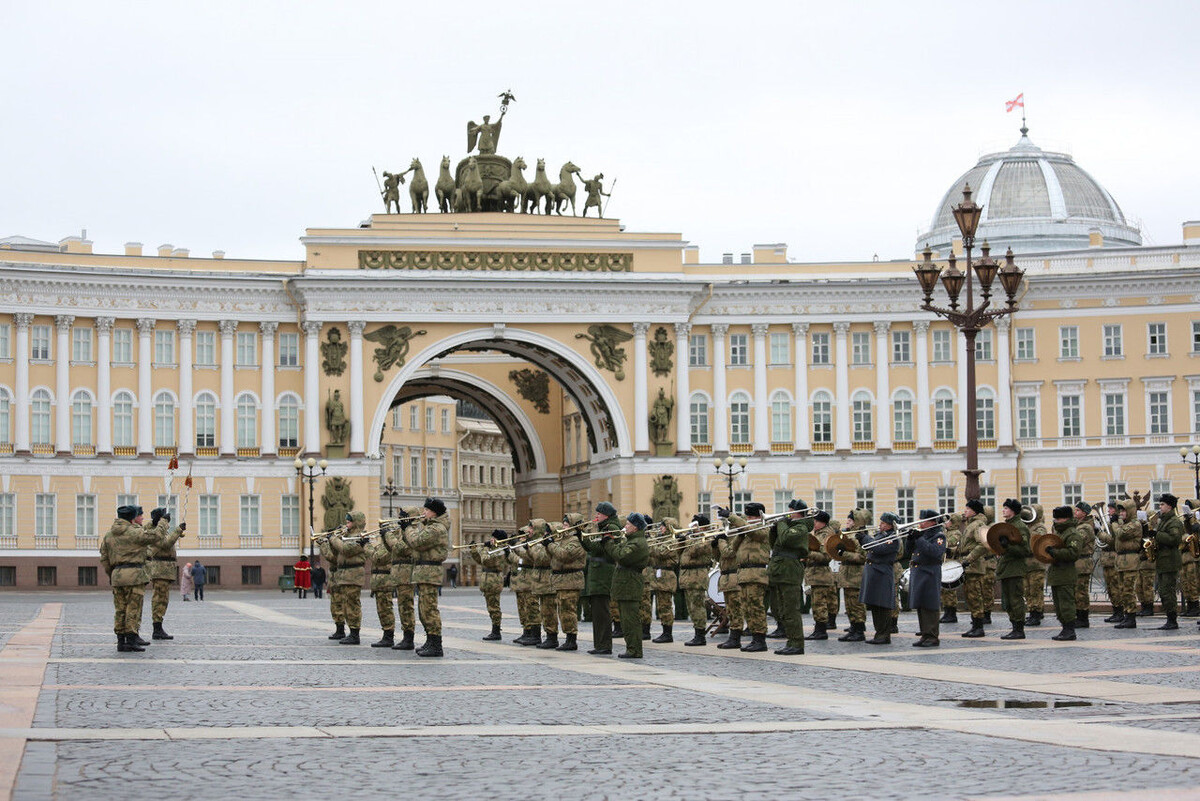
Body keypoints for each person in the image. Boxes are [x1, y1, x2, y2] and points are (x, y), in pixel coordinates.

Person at [99, 505, 161, 652]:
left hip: (117, 575)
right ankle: (132, 639)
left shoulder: (109, 535)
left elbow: (104, 559)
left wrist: (112, 575)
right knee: (133, 608)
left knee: (120, 609)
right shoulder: (134, 532)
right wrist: (163, 522)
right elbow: (156, 537)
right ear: (133, 518)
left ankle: (121, 641)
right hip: (134, 575)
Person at [403, 497, 450, 657]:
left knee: (429, 609)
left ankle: (436, 644)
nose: (423, 513)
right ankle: (430, 640)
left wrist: (408, 528)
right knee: (424, 609)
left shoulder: (436, 529)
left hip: (430, 571)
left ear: (434, 512)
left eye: (426, 510)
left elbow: (417, 541)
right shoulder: (430, 526)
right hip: (424, 571)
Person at [769, 499, 811, 655]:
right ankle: (790, 641)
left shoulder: (801, 527)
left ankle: (797, 643)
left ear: (797, 512)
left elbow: (786, 537)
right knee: (783, 610)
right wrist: (774, 529)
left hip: (790, 571)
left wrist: (781, 524)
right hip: (781, 570)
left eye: (791, 510)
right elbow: (775, 545)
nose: (787, 513)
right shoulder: (789, 526)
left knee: (791, 610)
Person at [605, 512, 650, 658]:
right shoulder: (631, 540)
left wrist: (609, 542)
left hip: (630, 584)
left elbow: (621, 556)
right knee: (625, 620)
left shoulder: (637, 543)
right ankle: (631, 648)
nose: (625, 526)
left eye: (628, 524)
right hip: (625, 583)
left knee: (630, 620)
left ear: (636, 527)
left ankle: (634, 650)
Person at [583, 502, 621, 655]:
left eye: (599, 513)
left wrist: (585, 535)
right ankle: (599, 644)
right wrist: (582, 537)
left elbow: (598, 548)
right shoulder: (603, 528)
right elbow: (590, 547)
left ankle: (604, 645)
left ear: (606, 515)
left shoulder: (611, 528)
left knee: (602, 613)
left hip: (603, 575)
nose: (596, 516)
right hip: (597, 575)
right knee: (597, 613)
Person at [733, 502, 771, 652]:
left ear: (759, 516)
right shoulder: (746, 532)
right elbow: (732, 550)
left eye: (751, 516)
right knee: (747, 608)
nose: (748, 519)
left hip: (756, 573)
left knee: (756, 607)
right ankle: (754, 637)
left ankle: (760, 639)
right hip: (744, 574)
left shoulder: (763, 528)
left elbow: (756, 532)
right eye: (747, 516)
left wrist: (733, 518)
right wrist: (739, 534)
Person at [547, 514, 587, 651]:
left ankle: (572, 639)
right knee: (562, 611)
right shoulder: (563, 539)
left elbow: (564, 555)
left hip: (571, 580)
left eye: (566, 524)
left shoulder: (576, 540)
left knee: (568, 610)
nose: (563, 527)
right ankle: (568, 637)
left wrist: (550, 545)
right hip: (561, 580)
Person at [908, 510, 948, 647]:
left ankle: (932, 636)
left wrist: (919, 539)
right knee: (920, 604)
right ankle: (925, 634)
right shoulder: (923, 535)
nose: (920, 523)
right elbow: (909, 552)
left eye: (923, 520)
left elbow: (934, 552)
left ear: (932, 522)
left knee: (929, 604)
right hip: (919, 571)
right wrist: (910, 539)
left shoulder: (939, 536)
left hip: (930, 572)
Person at [383, 507, 420, 651]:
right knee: (402, 606)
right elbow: (391, 550)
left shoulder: (413, 532)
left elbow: (401, 548)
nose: (399, 518)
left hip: (406, 573)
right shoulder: (402, 531)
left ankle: (408, 638)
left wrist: (388, 536)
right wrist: (384, 536)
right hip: (399, 573)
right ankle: (406, 636)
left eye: (403, 516)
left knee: (406, 607)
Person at [861, 512, 901, 645]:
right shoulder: (881, 535)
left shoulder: (893, 538)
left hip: (882, 572)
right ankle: (879, 632)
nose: (880, 525)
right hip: (874, 573)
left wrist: (865, 538)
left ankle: (884, 634)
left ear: (890, 525)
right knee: (875, 605)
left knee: (883, 605)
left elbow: (878, 548)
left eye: (883, 523)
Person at [997, 498, 1033, 640]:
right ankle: (1014, 627)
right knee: (1008, 600)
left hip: (1015, 568)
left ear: (1013, 511)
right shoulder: (1008, 526)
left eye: (1006, 508)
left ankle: (1019, 629)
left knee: (1015, 599)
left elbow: (1025, 550)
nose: (1003, 510)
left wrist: (1008, 546)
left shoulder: (1020, 526)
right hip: (1007, 567)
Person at [1046, 506, 1084, 641]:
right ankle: (1064, 628)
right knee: (1059, 604)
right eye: (1055, 518)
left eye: (1059, 518)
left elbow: (1073, 553)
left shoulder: (1072, 534)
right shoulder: (1060, 532)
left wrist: (1055, 552)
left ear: (1067, 518)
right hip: (1057, 573)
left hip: (1066, 573)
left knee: (1066, 603)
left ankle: (1069, 630)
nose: (1056, 521)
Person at [329, 513, 368, 644]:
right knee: (345, 604)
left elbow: (346, 549)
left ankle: (355, 633)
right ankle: (350, 631)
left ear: (356, 522)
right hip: (344, 574)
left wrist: (334, 539)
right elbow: (336, 554)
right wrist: (332, 541)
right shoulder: (346, 536)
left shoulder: (359, 537)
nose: (347, 524)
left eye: (349, 522)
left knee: (352, 604)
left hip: (354, 573)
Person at [677, 514, 715, 647]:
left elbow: (694, 551)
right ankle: (696, 633)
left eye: (695, 526)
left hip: (697, 575)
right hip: (688, 575)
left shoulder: (706, 538)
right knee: (691, 607)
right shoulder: (692, 538)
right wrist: (680, 541)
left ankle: (700, 635)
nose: (692, 528)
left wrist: (689, 538)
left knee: (697, 606)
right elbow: (679, 554)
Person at [147, 507, 183, 640]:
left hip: (164, 570)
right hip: (160, 570)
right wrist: (177, 530)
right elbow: (166, 544)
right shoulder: (155, 532)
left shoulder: (158, 531)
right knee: (159, 599)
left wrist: (178, 531)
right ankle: (157, 628)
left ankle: (159, 626)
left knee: (163, 599)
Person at [713, 506, 746, 649]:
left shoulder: (738, 536)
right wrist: (714, 546)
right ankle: (733, 637)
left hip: (734, 576)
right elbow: (718, 558)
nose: (726, 525)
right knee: (730, 610)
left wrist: (721, 541)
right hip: (726, 577)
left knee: (736, 609)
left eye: (729, 522)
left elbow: (728, 553)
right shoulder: (728, 536)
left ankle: (735, 637)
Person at [1152, 493, 1184, 631]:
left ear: (1169, 506)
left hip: (1170, 561)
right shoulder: (1163, 520)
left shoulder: (1174, 522)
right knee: (1163, 591)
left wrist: (1156, 535)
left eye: (1162, 504)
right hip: (1163, 561)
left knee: (1168, 591)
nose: (1160, 507)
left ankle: (1172, 620)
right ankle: (1169, 618)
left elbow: (1174, 539)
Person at [645, 516, 680, 643]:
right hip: (659, 575)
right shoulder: (661, 539)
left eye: (663, 526)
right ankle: (664, 631)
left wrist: (649, 541)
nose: (660, 528)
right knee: (661, 606)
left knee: (666, 605)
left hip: (667, 575)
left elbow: (661, 552)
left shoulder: (672, 540)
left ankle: (668, 633)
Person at [469, 530, 508, 641]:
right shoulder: (493, 549)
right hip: (488, 580)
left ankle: (496, 631)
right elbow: (480, 561)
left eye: (494, 538)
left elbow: (487, 560)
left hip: (494, 581)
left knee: (494, 607)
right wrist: (474, 551)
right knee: (491, 607)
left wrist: (486, 548)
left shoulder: (500, 550)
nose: (491, 539)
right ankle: (494, 630)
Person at [837, 508, 870, 641]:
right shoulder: (849, 534)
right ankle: (853, 627)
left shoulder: (861, 536)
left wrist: (844, 554)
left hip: (856, 575)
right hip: (847, 574)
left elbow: (862, 557)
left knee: (856, 604)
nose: (847, 522)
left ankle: (859, 630)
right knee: (849, 604)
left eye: (850, 520)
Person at [960, 500, 991, 638]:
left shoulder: (978, 524)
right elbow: (967, 546)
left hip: (974, 566)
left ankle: (979, 627)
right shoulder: (971, 524)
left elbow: (983, 544)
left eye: (968, 509)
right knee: (970, 596)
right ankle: (975, 625)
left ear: (974, 511)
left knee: (975, 596)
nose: (965, 511)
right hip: (969, 566)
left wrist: (969, 559)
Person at [806, 511, 837, 640]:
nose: (813, 523)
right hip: (815, 574)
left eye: (816, 521)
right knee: (816, 603)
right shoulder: (818, 533)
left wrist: (807, 553)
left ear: (822, 522)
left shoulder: (826, 535)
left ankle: (821, 630)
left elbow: (826, 557)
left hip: (821, 574)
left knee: (819, 603)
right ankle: (819, 628)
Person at [1112, 498, 1142, 629]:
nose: (1121, 513)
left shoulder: (1135, 524)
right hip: (1121, 561)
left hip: (1130, 561)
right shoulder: (1124, 523)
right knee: (1122, 590)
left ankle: (1131, 617)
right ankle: (1126, 615)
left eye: (1124, 511)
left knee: (1128, 590)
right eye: (1120, 511)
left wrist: (1114, 523)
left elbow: (1121, 534)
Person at [364, 528, 396, 648]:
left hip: (385, 581)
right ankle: (386, 635)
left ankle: (389, 636)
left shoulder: (388, 546)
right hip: (379, 581)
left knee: (386, 609)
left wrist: (366, 545)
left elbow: (377, 557)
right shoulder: (383, 545)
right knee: (382, 610)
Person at [1071, 502, 1097, 628]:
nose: (1075, 512)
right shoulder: (1078, 525)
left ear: (1084, 513)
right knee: (1077, 591)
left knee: (1081, 592)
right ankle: (1078, 616)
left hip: (1083, 562)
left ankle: (1083, 618)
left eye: (1077, 510)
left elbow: (1077, 541)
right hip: (1078, 563)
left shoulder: (1086, 527)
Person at [1023, 505, 1048, 627]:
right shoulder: (1028, 526)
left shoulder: (1040, 527)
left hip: (1036, 564)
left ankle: (1036, 613)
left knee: (1035, 590)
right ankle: (1033, 611)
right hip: (1027, 564)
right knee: (1028, 590)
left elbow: (1036, 542)